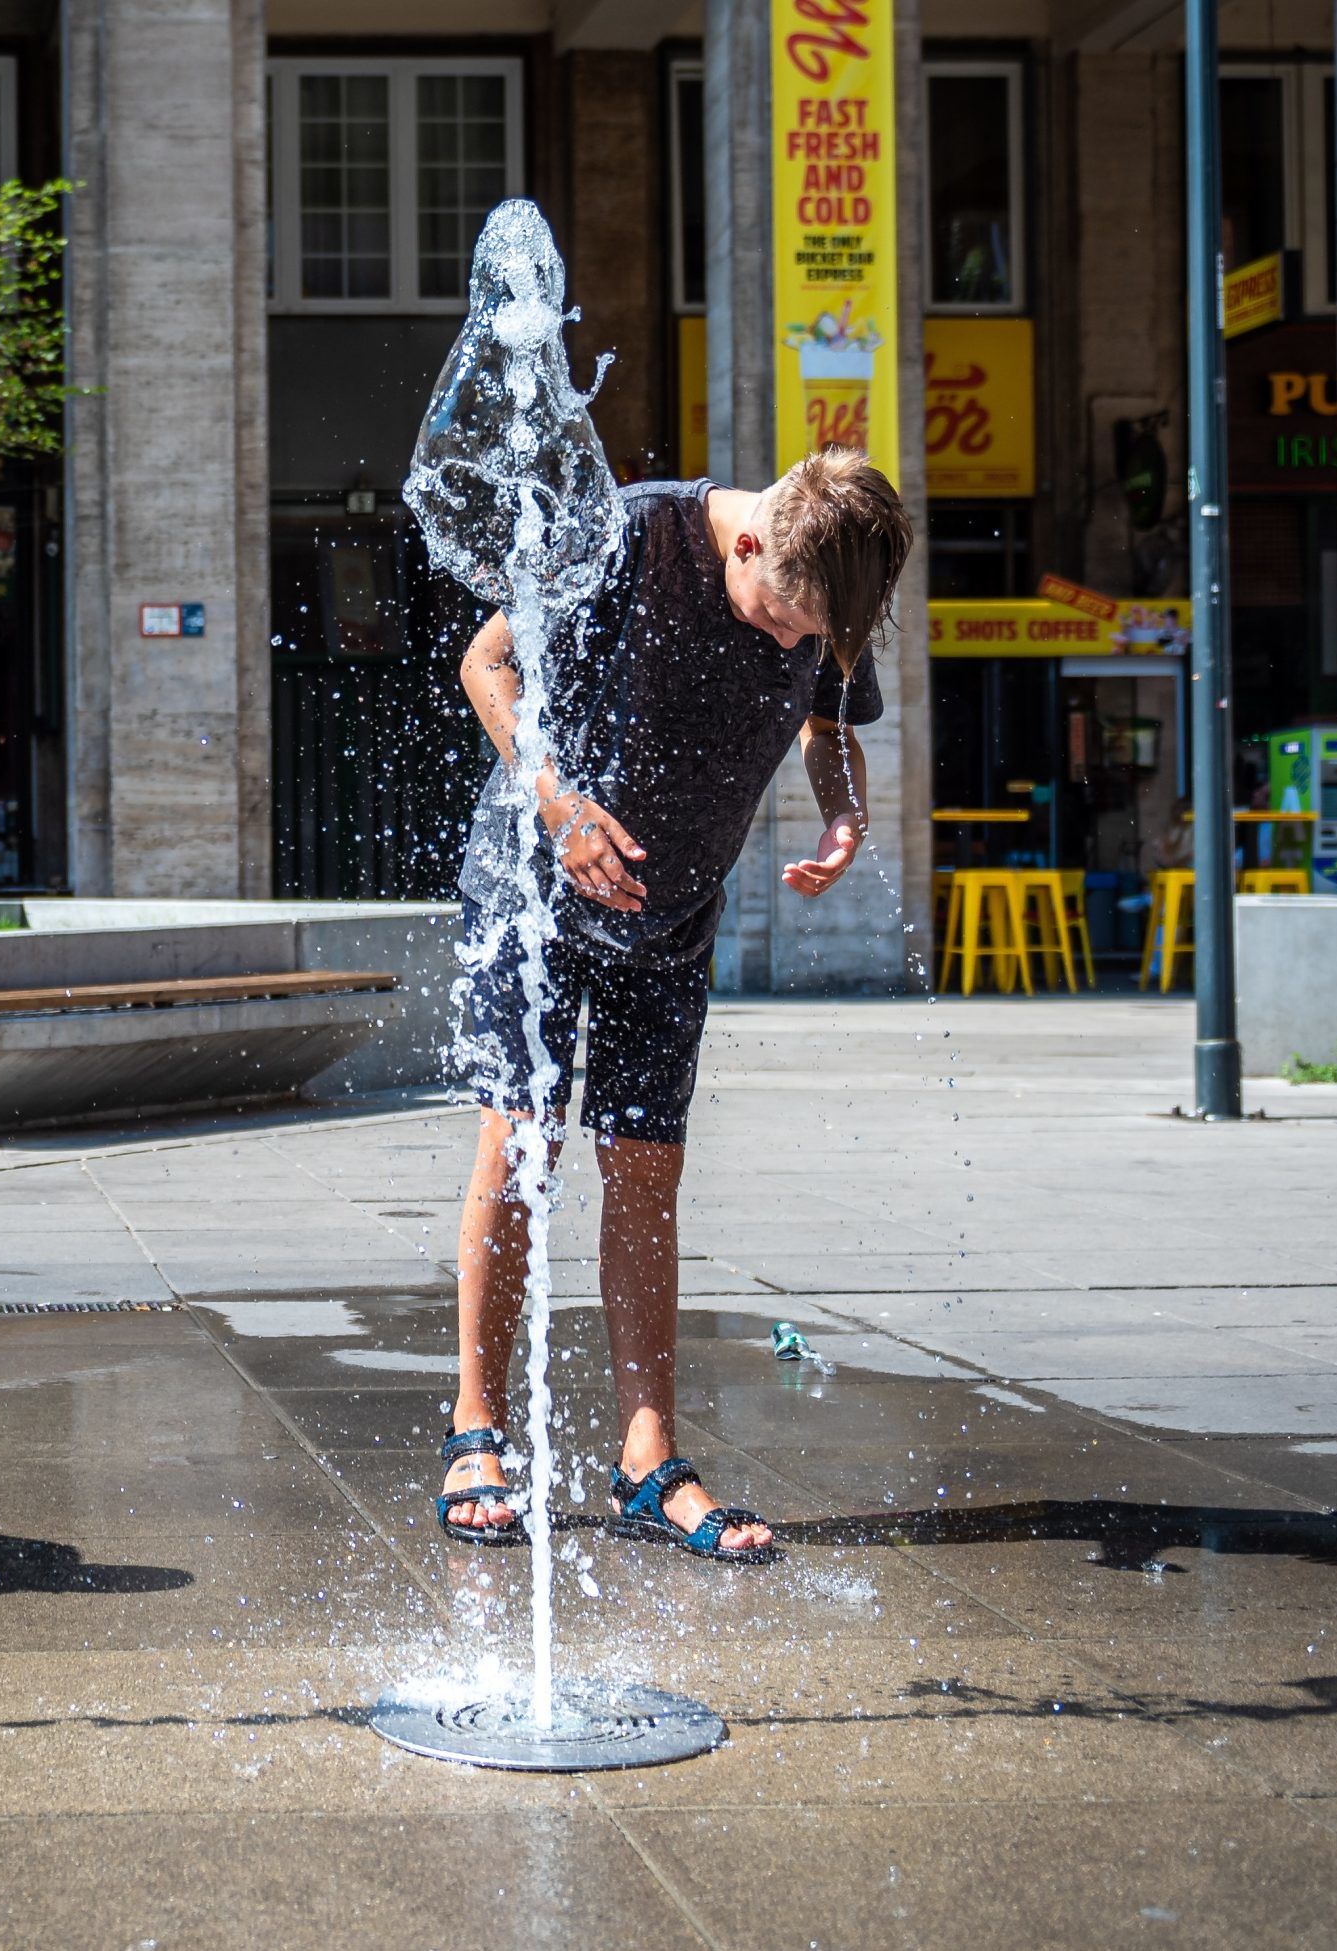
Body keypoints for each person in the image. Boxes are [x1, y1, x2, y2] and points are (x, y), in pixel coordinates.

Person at [434, 449, 911, 1565]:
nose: (796, 645)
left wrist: (840, 815)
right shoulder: (636, 536)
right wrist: (559, 808)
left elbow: (828, 725)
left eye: (814, 637)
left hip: (673, 910)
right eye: (786, 621)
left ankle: (648, 1459)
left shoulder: (829, 585)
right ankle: (476, 1431)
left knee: (647, 1166)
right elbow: (486, 664)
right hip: (536, 886)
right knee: (528, 1141)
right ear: (750, 543)